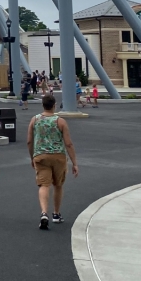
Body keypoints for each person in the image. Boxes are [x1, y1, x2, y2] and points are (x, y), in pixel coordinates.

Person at [26, 93, 79, 229]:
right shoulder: (60, 121)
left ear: (43, 105)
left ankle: (44, 213)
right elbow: (68, 143)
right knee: (58, 184)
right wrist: (74, 162)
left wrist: (32, 156)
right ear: (54, 105)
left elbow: (29, 141)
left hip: (40, 155)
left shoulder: (35, 120)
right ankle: (56, 213)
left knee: (44, 185)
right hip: (58, 156)